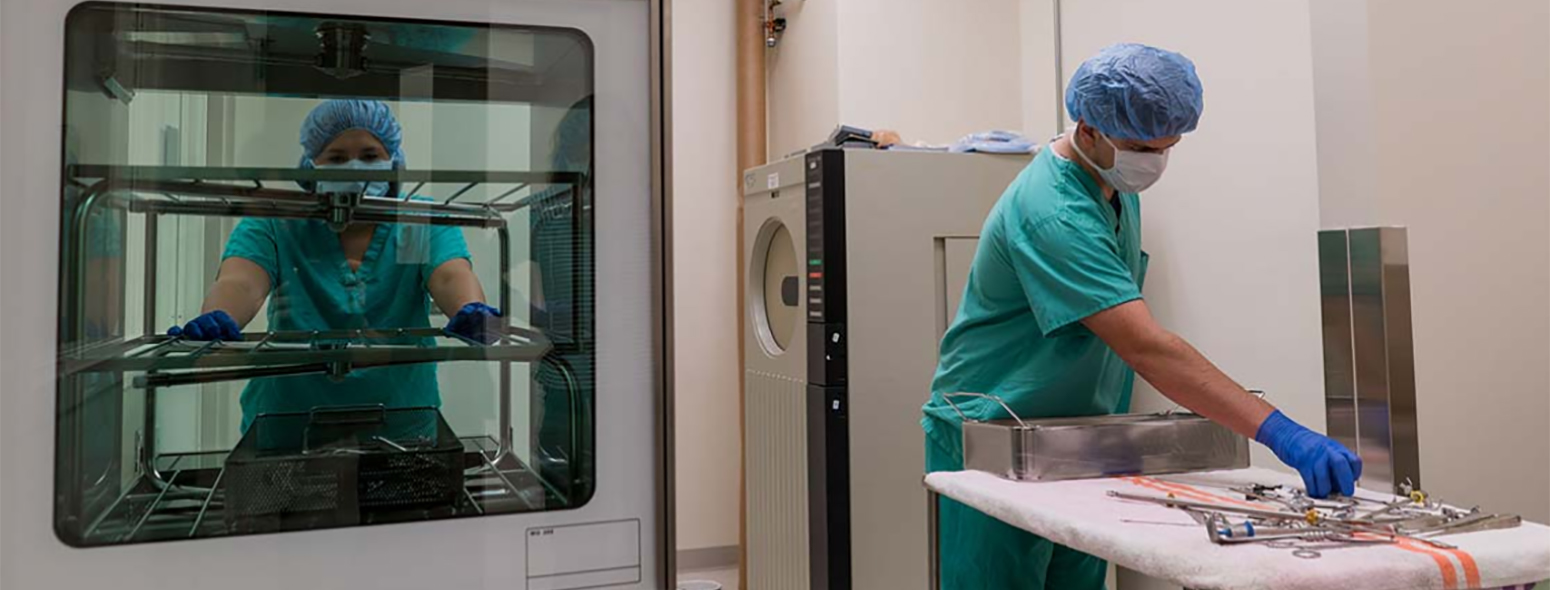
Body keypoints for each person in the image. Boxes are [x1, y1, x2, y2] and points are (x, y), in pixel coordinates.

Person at [920, 43, 1362, 589]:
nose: (1152, 160)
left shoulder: (1112, 183)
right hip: (990, 434)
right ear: (1087, 130)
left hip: (1074, 441)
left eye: (1165, 147)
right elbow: (1146, 347)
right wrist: (1281, 432)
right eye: (1138, 146)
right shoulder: (1053, 212)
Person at [171, 99, 503, 431]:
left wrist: (470, 308)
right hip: (289, 426)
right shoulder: (278, 221)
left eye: (371, 156)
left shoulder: (414, 223)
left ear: (393, 162)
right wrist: (218, 318)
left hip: (401, 425)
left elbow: (449, 275)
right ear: (311, 165)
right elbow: (242, 283)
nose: (354, 168)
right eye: (337, 158)